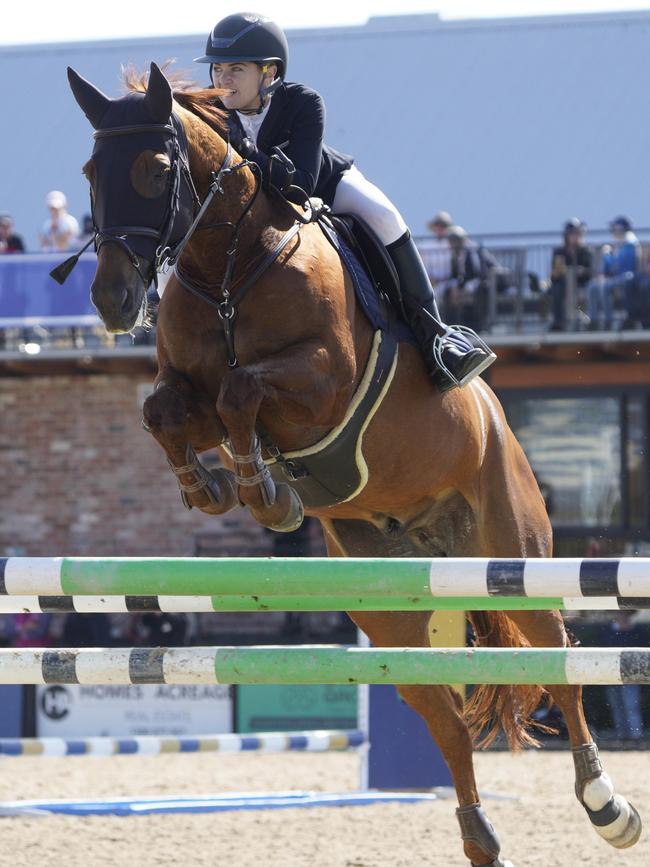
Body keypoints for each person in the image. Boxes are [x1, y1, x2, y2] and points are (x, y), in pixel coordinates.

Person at [194, 13, 496, 391]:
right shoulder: (211, 115)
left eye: (235, 69)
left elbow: (300, 185)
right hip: (252, 210)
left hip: (327, 185)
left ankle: (436, 335)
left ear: (269, 73)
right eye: (217, 69)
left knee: (384, 214)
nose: (222, 79)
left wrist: (244, 151)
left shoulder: (303, 102)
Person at [586, 215, 639, 331]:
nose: (613, 231)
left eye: (615, 228)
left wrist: (607, 255)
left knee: (605, 285)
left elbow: (620, 266)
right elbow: (610, 268)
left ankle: (608, 320)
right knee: (592, 285)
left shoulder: (630, 242)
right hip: (617, 278)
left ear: (621, 228)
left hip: (627, 278)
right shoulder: (620, 243)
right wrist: (607, 256)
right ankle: (593, 320)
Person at [548, 218, 593, 331]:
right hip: (562, 284)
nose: (575, 237)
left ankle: (580, 320)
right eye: (573, 234)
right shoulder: (559, 251)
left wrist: (580, 271)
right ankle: (558, 322)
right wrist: (559, 272)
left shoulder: (586, 251)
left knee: (577, 293)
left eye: (578, 234)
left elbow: (590, 271)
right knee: (557, 290)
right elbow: (555, 272)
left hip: (581, 283)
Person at [422, 211, 453, 286]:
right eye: (437, 225)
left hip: (449, 283)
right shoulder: (426, 247)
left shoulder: (452, 245)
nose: (440, 228)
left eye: (443, 226)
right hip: (431, 283)